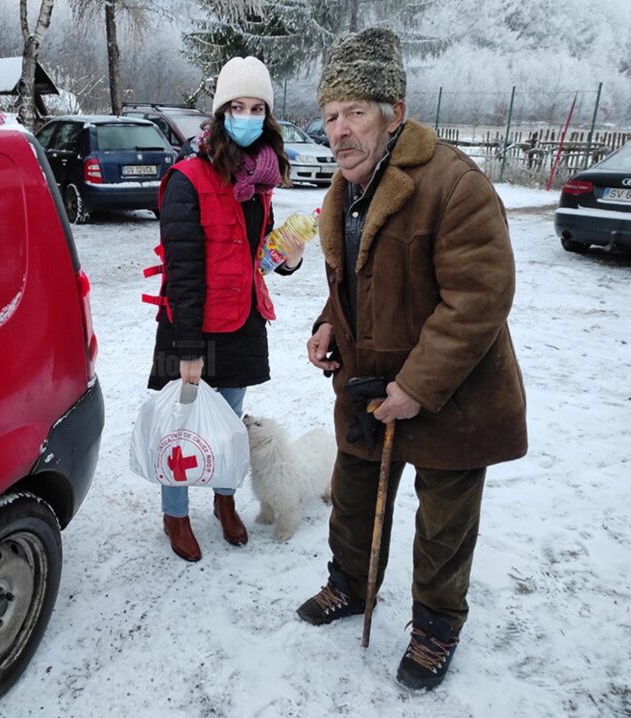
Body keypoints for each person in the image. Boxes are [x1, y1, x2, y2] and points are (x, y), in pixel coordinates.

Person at [298, 27, 527, 690]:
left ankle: (434, 629)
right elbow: (357, 283)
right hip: (371, 386)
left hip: (454, 394)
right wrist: (326, 328)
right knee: (353, 497)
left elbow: (480, 299)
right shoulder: (344, 190)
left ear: (395, 112)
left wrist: (417, 386)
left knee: (444, 524)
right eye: (331, 115)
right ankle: (351, 585)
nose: (340, 130)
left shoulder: (452, 184)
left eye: (356, 113)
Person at [145, 56, 304, 562]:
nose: (248, 116)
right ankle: (175, 513)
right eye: (237, 106)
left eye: (258, 108)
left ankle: (224, 501)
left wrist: (288, 259)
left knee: (230, 425)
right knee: (182, 429)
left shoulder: (260, 181)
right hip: (190, 326)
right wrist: (188, 350)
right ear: (219, 113)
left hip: (242, 322)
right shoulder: (187, 180)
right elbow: (184, 272)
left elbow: (254, 257)